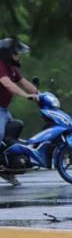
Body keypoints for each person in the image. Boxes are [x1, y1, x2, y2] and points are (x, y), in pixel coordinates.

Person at [0, 38, 39, 186]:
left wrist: (40, 95)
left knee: (13, 135)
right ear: (7, 53)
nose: (19, 55)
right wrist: (26, 96)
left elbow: (24, 83)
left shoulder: (11, 68)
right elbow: (7, 84)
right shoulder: (0, 65)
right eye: (16, 52)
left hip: (3, 110)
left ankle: (7, 170)